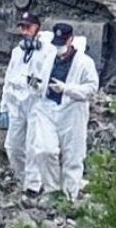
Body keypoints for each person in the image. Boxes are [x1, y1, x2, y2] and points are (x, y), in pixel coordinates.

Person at [28, 23, 100, 200]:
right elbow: (35, 76)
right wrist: (35, 84)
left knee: (72, 156)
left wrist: (67, 89)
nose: (59, 47)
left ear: (71, 40)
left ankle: (69, 197)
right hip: (47, 108)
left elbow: (92, 88)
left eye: (62, 43)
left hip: (72, 111)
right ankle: (52, 191)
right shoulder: (48, 57)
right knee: (45, 150)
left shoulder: (84, 63)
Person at [0, 11, 54, 187]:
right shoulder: (17, 52)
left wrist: (26, 80)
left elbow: (45, 80)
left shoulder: (48, 51)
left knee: (32, 146)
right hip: (17, 104)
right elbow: (8, 79)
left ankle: (33, 185)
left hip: (36, 103)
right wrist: (4, 107)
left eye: (28, 27)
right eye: (22, 27)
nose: (24, 31)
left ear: (37, 28)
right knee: (12, 146)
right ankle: (22, 178)